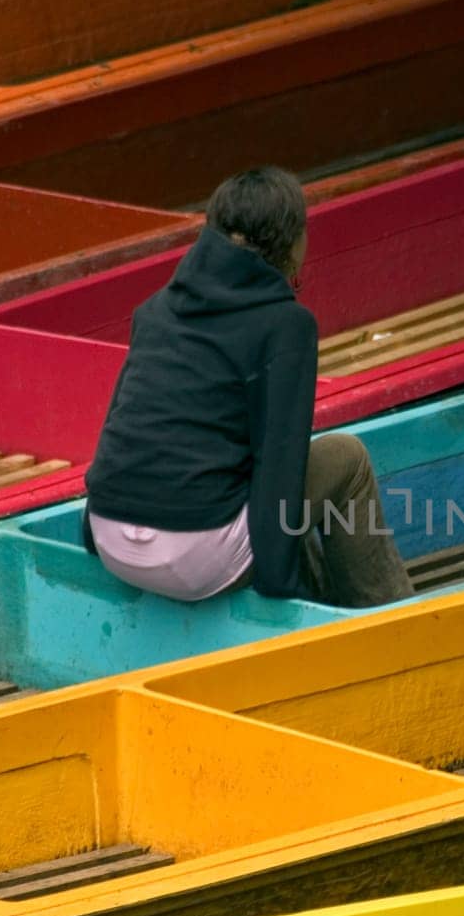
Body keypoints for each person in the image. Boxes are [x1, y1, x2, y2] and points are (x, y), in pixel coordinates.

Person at [83, 167, 414, 607]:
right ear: (291, 242)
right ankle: (393, 620)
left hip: (110, 540)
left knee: (272, 499)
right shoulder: (286, 328)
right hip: (194, 555)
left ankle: (329, 599)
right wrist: (280, 589)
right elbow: (280, 459)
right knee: (345, 459)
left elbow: (121, 429)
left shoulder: (156, 310)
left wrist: (92, 529)